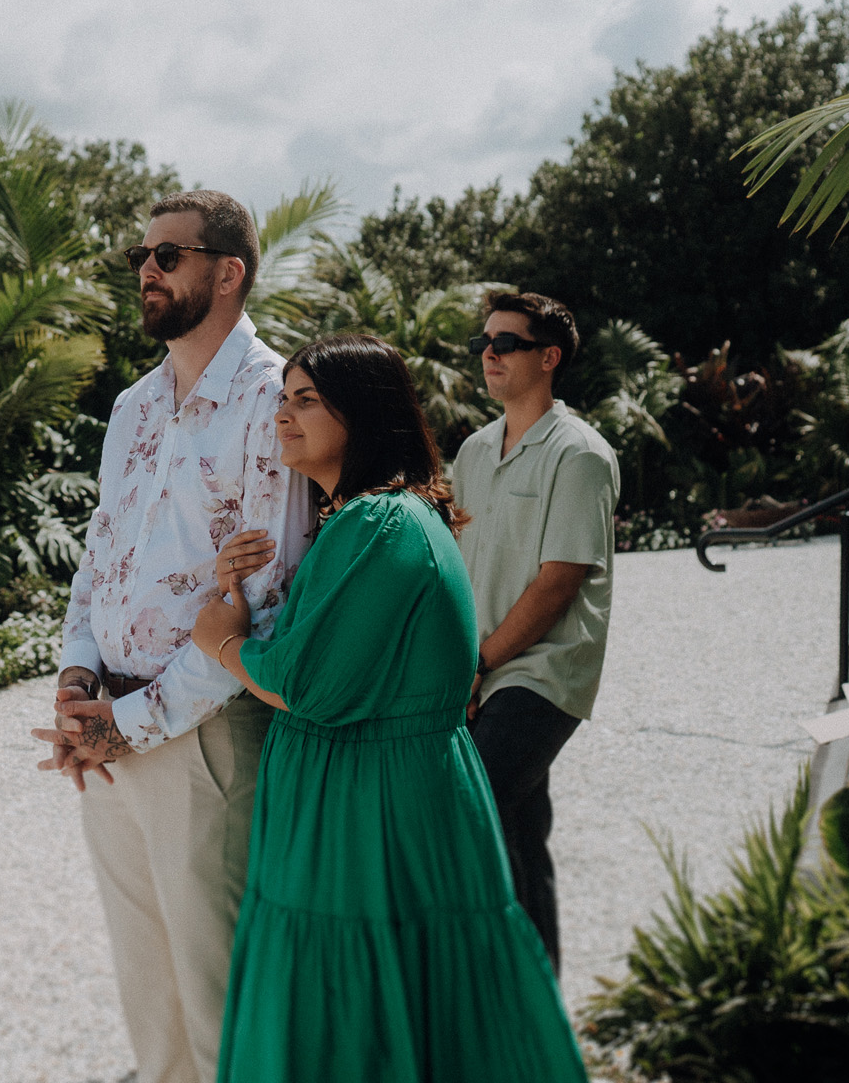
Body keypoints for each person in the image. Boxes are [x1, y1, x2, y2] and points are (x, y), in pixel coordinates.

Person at [189, 334, 586, 1081]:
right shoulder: (372, 520)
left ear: (363, 415)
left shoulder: (378, 523)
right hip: (371, 791)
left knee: (363, 998)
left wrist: (223, 640)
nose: (283, 415)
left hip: (371, 807)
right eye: (284, 398)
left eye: (306, 400)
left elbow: (304, 683)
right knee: (399, 993)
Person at [31, 191, 315, 1083]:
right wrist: (79, 680)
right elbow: (101, 557)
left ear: (228, 273)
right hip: (111, 718)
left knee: (217, 988)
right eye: (141, 258)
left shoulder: (278, 401)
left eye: (169, 256)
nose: (147, 271)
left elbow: (265, 602)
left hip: (206, 733)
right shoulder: (133, 407)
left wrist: (137, 722)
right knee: (146, 990)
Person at [449, 291, 619, 973]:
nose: (489, 353)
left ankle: (483, 980)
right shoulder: (472, 452)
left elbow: (557, 583)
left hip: (541, 673)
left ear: (548, 358)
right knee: (519, 833)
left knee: (466, 808)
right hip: (477, 664)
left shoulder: (580, 455)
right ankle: (534, 997)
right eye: (484, 342)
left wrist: (478, 664)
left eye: (507, 343)